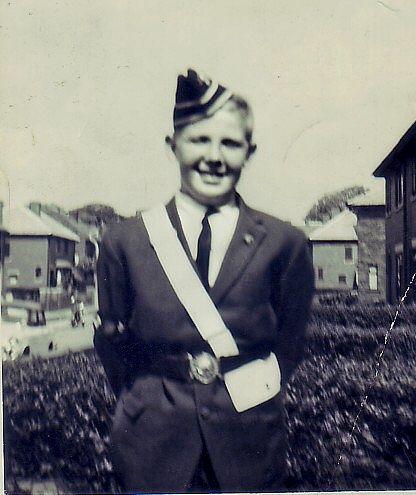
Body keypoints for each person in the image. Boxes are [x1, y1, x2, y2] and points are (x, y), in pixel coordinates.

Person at [94, 68, 314, 493]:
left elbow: (290, 344)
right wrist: (149, 402)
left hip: (250, 441)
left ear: (250, 151)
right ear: (172, 146)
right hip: (150, 444)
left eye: (231, 143)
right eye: (199, 140)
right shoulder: (126, 241)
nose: (214, 157)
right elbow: (114, 345)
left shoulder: (285, 243)